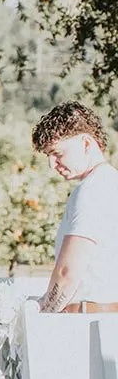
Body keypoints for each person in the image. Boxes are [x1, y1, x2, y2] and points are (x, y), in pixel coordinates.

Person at [33, 102, 118, 314]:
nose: (52, 164)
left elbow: (67, 273)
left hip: (85, 322)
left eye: (58, 153)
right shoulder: (110, 182)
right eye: (48, 156)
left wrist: (43, 319)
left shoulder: (92, 190)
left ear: (87, 143)